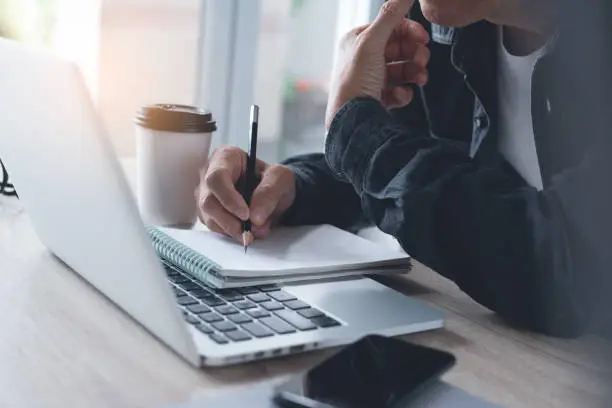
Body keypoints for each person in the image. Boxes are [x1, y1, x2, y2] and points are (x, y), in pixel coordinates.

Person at [195, 0, 612, 338]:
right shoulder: (448, 23)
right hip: (494, 347)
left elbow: (574, 269)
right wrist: (295, 187)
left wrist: (355, 128)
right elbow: (417, 165)